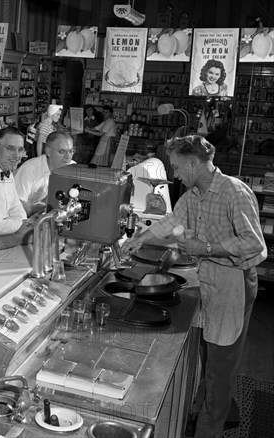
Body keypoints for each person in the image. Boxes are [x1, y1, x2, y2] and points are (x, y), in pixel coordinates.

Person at [121, 135, 266, 438]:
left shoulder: (233, 191)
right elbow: (171, 221)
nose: (174, 174)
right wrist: (139, 239)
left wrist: (207, 248)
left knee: (220, 369)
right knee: (209, 357)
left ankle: (208, 429)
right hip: (210, 279)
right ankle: (213, 412)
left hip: (234, 283)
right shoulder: (192, 194)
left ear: (192, 162)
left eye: (176, 167)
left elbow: (255, 245)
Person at [15, 131, 75, 217]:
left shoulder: (72, 167)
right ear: (48, 151)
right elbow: (17, 208)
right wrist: (46, 204)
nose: (68, 156)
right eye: (62, 152)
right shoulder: (29, 170)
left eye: (71, 151)